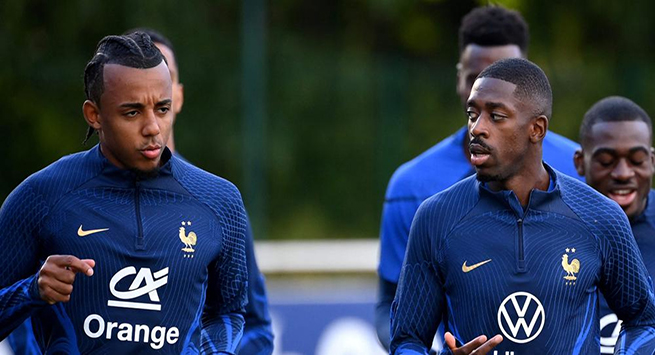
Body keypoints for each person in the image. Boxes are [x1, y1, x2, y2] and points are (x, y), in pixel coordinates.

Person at [0, 32, 248, 353]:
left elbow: (229, 311)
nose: (153, 128)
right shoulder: (41, 197)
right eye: (132, 112)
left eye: (162, 109)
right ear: (95, 115)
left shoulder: (219, 202)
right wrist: (32, 291)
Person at [390, 58, 655, 354]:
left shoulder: (600, 217)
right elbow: (407, 340)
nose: (477, 128)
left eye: (496, 116)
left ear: (536, 129)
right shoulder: (436, 217)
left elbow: (644, 322)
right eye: (472, 114)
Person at [375, 6, 582, 351]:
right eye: (475, 77)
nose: (489, 91)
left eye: (506, 80)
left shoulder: (580, 170)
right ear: (459, 77)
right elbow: (392, 309)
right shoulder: (411, 188)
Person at [573, 96, 655, 354]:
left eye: (637, 160)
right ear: (579, 162)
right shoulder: (553, 228)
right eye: (606, 162)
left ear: (652, 161)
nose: (623, 173)